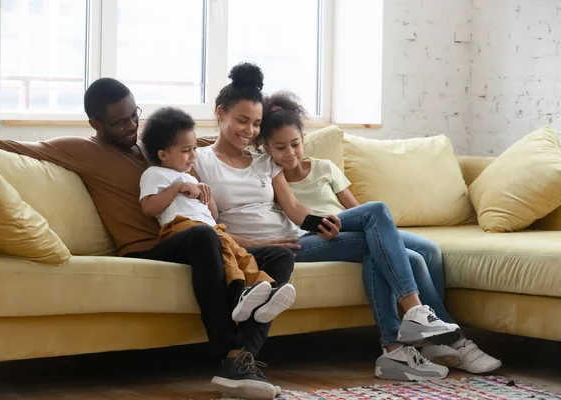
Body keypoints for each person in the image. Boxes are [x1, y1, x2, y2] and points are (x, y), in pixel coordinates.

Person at [0, 78, 291, 400]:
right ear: (96, 123)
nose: (132, 126)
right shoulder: (81, 150)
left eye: (135, 115)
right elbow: (5, 145)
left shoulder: (157, 148)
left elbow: (221, 144)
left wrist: (287, 156)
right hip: (148, 249)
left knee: (280, 257)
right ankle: (229, 353)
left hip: (189, 239)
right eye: (120, 122)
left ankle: (244, 358)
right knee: (202, 236)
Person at [192, 62, 466, 382]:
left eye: (255, 124)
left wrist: (320, 224)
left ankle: (396, 346)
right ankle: (406, 330)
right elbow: (210, 228)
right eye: (242, 121)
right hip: (270, 250)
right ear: (220, 112)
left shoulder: (264, 160)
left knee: (374, 231)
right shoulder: (199, 160)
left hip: (296, 235)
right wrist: (257, 244)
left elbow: (294, 208)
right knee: (377, 220)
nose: (249, 131)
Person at [257, 90, 503, 377]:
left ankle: (429, 340)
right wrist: (320, 222)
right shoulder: (271, 174)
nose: (289, 153)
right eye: (280, 148)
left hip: (344, 224)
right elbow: (295, 209)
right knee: (390, 232)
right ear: (267, 148)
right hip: (314, 233)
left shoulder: (324, 167)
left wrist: (365, 226)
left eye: (295, 144)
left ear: (303, 139)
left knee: (428, 252)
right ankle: (450, 337)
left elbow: (356, 210)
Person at [139, 106, 296, 324]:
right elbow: (148, 207)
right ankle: (240, 293)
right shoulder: (155, 174)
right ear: (163, 155)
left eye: (194, 148)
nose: (193, 155)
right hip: (181, 229)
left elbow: (211, 215)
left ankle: (265, 291)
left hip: (210, 229)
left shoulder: (191, 178)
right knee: (225, 251)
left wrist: (207, 196)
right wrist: (176, 188)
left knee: (240, 254)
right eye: (186, 150)